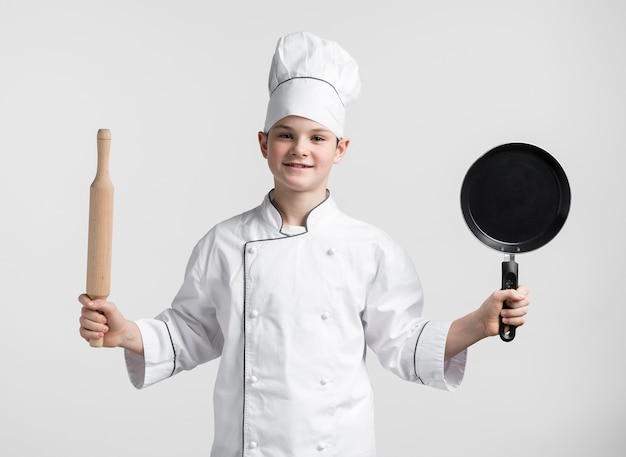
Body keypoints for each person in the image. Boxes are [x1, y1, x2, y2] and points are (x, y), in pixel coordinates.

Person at [78, 31, 529, 456]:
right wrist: (127, 334)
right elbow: (190, 331)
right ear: (263, 143)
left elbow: (404, 344)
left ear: (341, 148)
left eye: (317, 137)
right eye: (285, 135)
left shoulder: (369, 249)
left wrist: (479, 322)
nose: (300, 149)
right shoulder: (224, 243)